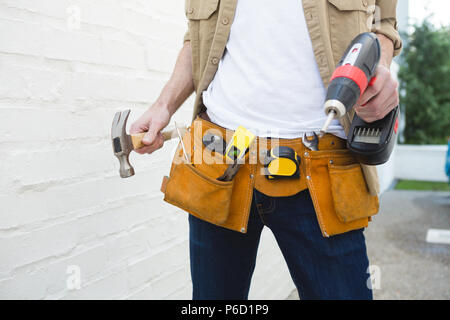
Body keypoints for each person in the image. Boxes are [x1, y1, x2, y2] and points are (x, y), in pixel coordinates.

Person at [131, 0, 402, 300]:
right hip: (218, 158)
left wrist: (380, 69)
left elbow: (384, 23)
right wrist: (162, 106)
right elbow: (197, 38)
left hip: (324, 164)